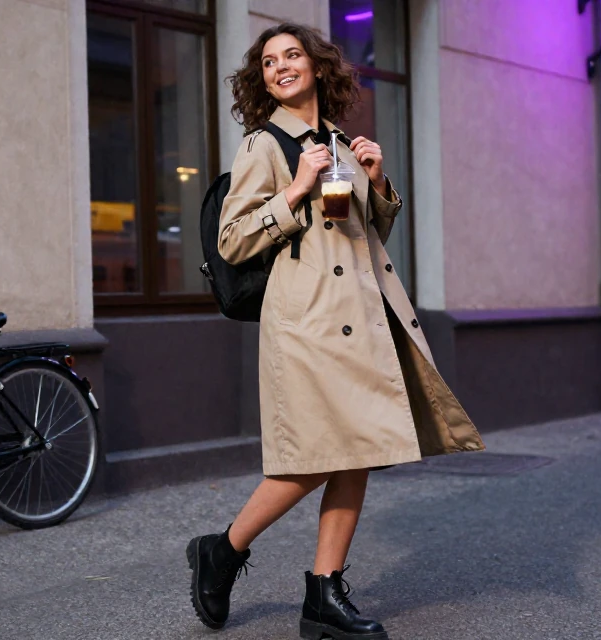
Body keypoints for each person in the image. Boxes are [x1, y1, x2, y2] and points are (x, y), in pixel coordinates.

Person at [186, 22, 486, 640]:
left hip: (360, 319)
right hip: (306, 323)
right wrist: (294, 190)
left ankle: (324, 592)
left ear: (319, 68)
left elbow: (352, 237)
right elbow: (232, 241)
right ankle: (223, 550)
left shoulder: (342, 143)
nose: (280, 67)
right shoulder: (264, 146)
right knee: (314, 457)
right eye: (269, 62)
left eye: (292, 55)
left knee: (359, 451)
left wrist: (377, 185)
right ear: (262, 80)